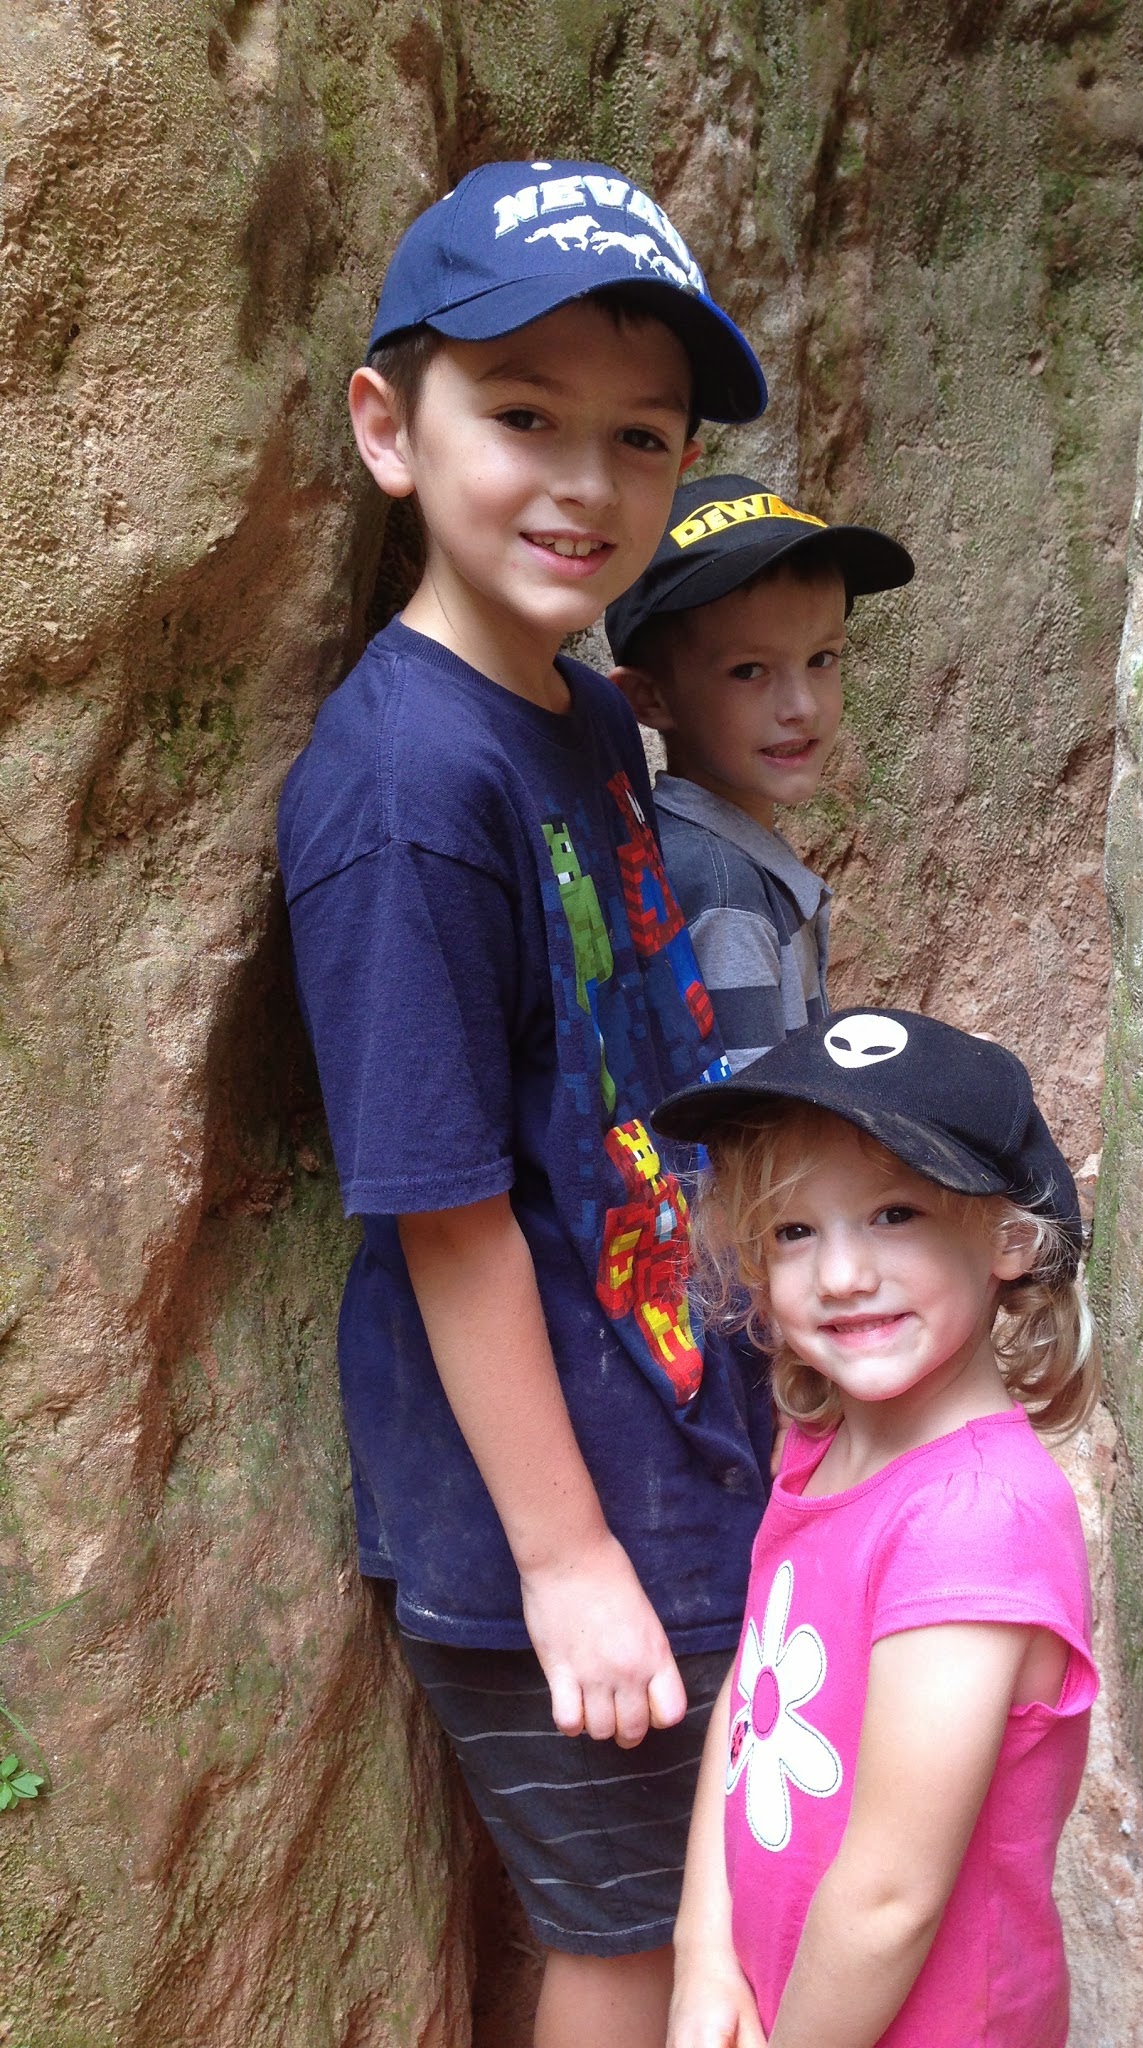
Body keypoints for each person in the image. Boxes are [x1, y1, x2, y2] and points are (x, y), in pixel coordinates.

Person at [276, 159, 776, 2048]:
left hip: (665, 1424)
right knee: (636, 1936)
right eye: (522, 415)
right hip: (544, 1508)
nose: (585, 480)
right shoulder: (406, 789)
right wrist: (569, 1568)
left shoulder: (585, 717)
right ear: (388, 430)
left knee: (712, 1895)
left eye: (639, 435)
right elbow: (445, 1204)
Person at [651, 1009, 1100, 2048]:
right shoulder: (820, 1441)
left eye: (896, 1213)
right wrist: (703, 1948)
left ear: (1010, 1236)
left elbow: (890, 1897)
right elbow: (755, 1698)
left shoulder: (975, 1519)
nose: (842, 1274)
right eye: (794, 1230)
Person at [605, 476, 912, 1071]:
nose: (802, 706)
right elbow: (748, 1117)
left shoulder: (710, 851)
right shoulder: (725, 895)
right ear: (648, 698)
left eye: (822, 658)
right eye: (749, 670)